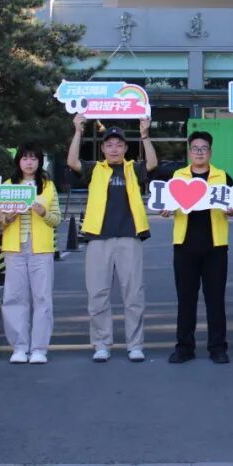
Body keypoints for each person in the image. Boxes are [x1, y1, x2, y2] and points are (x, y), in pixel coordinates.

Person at [67, 115, 157, 363]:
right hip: (98, 238)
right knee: (98, 294)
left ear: (125, 148)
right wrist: (78, 131)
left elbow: (152, 163)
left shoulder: (133, 169)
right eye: (109, 145)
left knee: (134, 295)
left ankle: (135, 345)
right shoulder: (95, 169)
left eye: (119, 145)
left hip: (130, 237)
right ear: (103, 149)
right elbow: (72, 161)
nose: (114, 149)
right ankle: (101, 343)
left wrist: (145, 135)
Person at [162, 131, 233, 364]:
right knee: (186, 300)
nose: (200, 152)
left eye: (204, 148)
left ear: (210, 152)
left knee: (215, 299)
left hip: (215, 246)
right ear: (189, 152)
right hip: (184, 246)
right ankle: (184, 347)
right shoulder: (177, 176)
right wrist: (166, 209)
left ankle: (218, 347)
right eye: (195, 148)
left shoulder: (223, 177)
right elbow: (168, 203)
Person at [0, 143, 61, 365]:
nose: (29, 162)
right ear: (18, 161)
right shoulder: (7, 186)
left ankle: (39, 348)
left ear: (40, 162)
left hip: (41, 248)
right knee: (14, 297)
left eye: (34, 158)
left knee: (42, 297)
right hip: (14, 248)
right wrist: (8, 217)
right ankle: (19, 347)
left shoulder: (48, 186)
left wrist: (43, 212)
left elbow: (57, 219)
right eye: (25, 158)